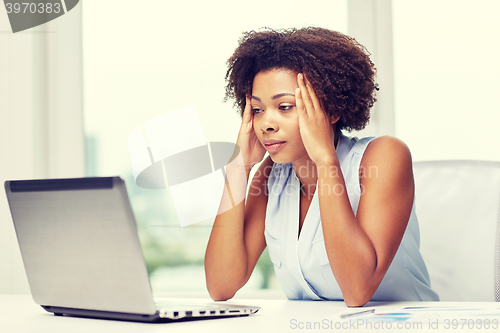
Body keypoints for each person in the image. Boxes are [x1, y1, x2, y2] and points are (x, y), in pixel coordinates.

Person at [204, 27, 439, 307]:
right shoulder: (271, 175)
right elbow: (221, 285)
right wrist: (238, 168)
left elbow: (356, 290)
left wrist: (325, 160)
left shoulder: (384, 156)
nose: (266, 123)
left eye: (286, 106)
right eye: (257, 110)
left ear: (332, 110)